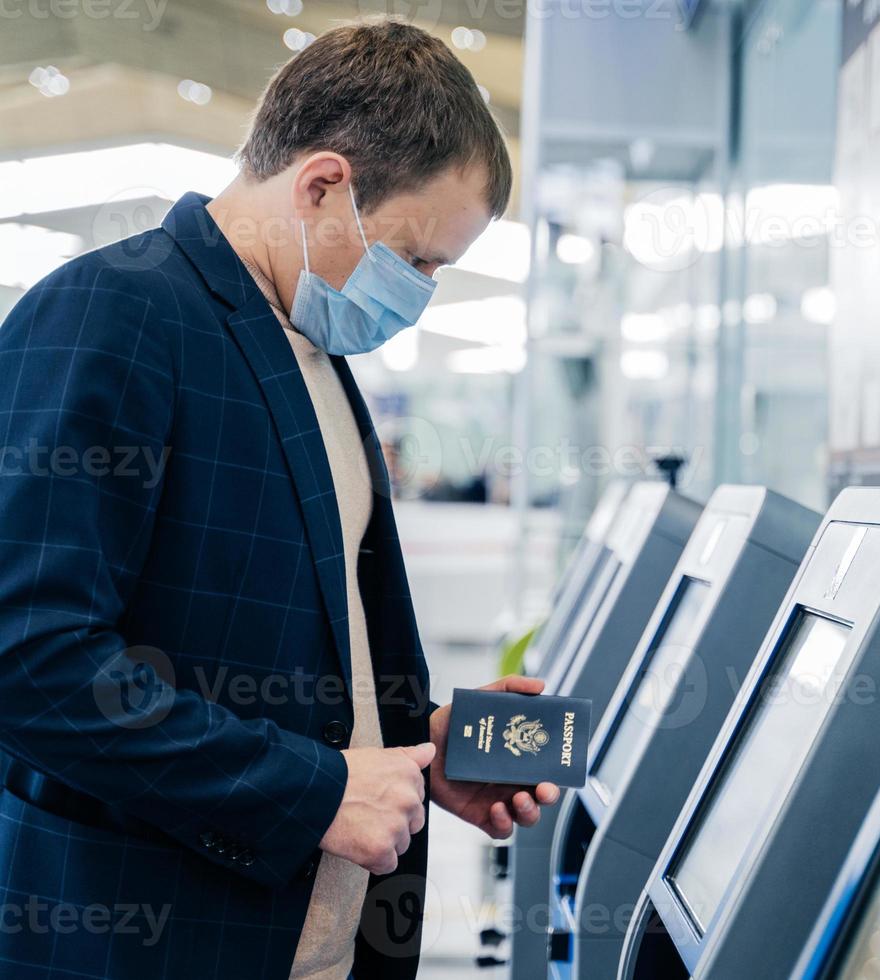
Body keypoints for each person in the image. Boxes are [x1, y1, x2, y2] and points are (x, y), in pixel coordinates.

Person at [0, 20, 555, 979]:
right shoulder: (114, 312)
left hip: (302, 939)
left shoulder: (304, 346)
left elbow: (262, 626)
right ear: (323, 185)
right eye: (416, 260)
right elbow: (30, 657)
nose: (418, 293)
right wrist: (309, 791)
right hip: (146, 938)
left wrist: (413, 739)